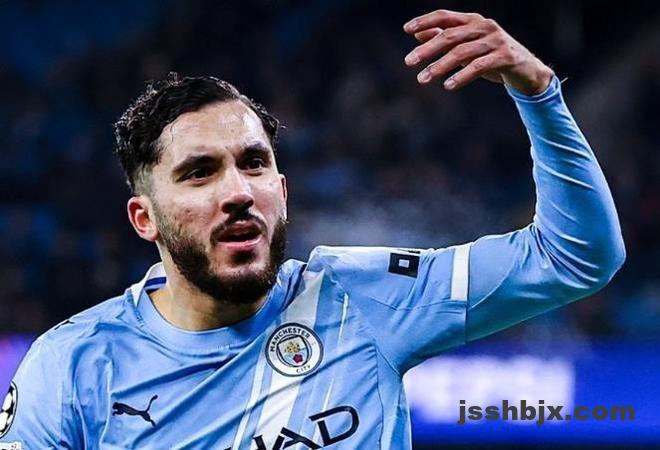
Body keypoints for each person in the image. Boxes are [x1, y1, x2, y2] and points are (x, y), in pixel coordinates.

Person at [0, 9, 625, 450]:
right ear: (146, 219)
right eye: (199, 172)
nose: (238, 191)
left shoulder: (361, 300)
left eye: (254, 164)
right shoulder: (74, 366)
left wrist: (539, 95)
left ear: (283, 191)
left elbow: (575, 258)